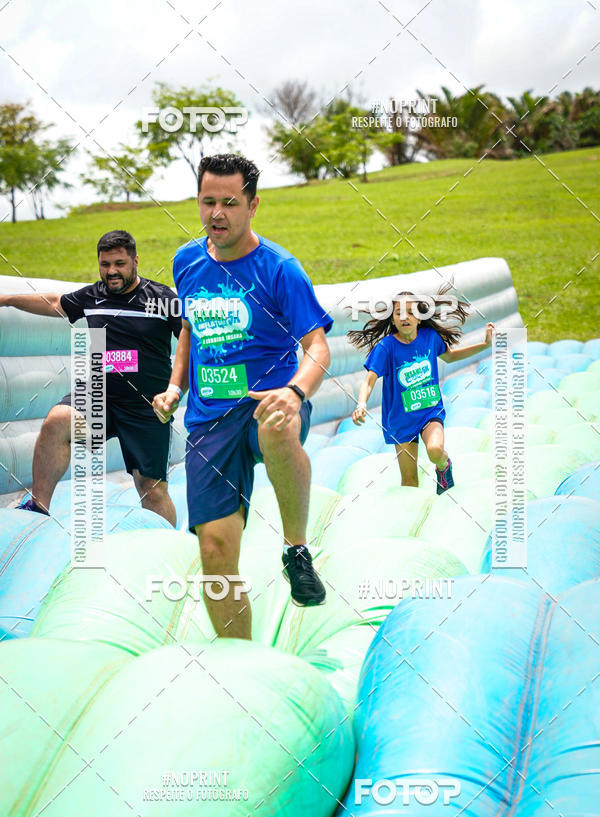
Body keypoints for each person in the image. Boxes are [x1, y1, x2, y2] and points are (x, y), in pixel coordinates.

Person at [152, 154, 333, 640]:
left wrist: (295, 392)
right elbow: (190, 328)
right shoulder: (187, 260)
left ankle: (297, 550)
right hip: (209, 416)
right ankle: (240, 660)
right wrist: (175, 386)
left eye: (229, 203)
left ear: (253, 205)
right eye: (208, 201)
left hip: (269, 398)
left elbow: (317, 346)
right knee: (213, 551)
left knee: (275, 426)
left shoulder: (280, 269)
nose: (217, 213)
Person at [0, 230, 182, 524]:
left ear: (136, 261)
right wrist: (8, 299)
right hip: (98, 395)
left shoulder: (161, 299)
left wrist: (176, 389)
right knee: (58, 420)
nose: (112, 271)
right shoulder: (93, 296)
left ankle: (168, 547)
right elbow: (53, 303)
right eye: (105, 264)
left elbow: (190, 339)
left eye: (120, 264)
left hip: (146, 407)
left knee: (151, 490)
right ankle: (38, 507)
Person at [349, 286, 494, 492]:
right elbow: (369, 379)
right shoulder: (386, 347)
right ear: (392, 320)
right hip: (401, 419)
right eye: (399, 313)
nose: (404, 317)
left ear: (419, 318)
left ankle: (444, 467)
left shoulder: (430, 338)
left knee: (435, 450)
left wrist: (485, 345)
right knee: (409, 481)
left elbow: (450, 356)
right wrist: (361, 403)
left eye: (411, 312)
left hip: (429, 411)